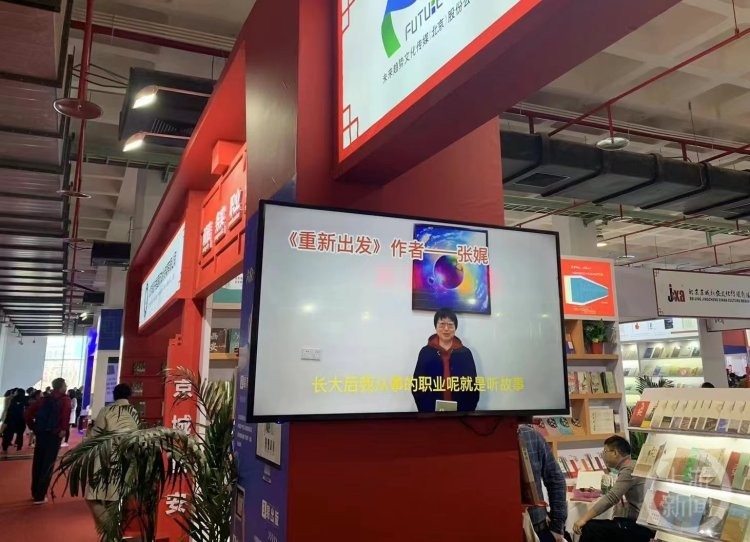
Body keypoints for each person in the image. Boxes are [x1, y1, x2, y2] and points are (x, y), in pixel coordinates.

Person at [573, 435, 654, 542]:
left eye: (605, 452)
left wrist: (583, 519)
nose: (603, 456)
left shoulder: (628, 469)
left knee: (590, 527)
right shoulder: (633, 465)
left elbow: (612, 498)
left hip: (642, 527)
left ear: (615, 453)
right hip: (639, 523)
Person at [85, 383, 139, 531]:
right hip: (127, 459)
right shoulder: (133, 411)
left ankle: (110, 531)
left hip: (106, 458)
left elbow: (95, 436)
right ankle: (112, 531)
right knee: (113, 499)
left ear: (114, 395)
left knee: (92, 497)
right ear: (129, 395)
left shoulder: (107, 410)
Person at [412, 308, 480, 412]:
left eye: (450, 325)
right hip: (431, 414)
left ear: (455, 328)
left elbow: (473, 387)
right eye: (442, 324)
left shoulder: (465, 353)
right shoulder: (426, 352)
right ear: (436, 327)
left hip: (461, 415)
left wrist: (464, 412)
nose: (446, 328)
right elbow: (417, 386)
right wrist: (428, 412)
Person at [518, 418, 568, 542]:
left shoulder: (532, 436)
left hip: (537, 526)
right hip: (497, 527)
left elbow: (556, 479)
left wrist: (557, 527)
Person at [25, 377, 72, 504]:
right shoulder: (65, 400)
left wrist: (33, 427)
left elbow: (28, 413)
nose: (66, 387)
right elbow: (65, 415)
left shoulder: (44, 399)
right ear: (61, 387)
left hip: (41, 434)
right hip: (54, 435)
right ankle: (40, 495)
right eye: (65, 385)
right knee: (48, 464)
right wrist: (63, 429)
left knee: (38, 462)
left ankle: (35, 491)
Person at [2, 389, 27, 457]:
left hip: (12, 419)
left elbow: (9, 409)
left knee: (8, 434)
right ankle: (18, 448)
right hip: (20, 420)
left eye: (16, 391)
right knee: (19, 434)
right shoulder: (24, 400)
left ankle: (5, 448)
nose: (15, 392)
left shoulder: (12, 399)